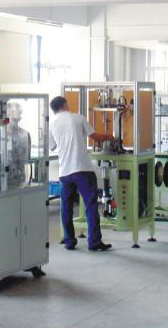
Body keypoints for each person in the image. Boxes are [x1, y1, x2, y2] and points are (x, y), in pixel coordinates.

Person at [48, 96, 112, 252]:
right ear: (65, 104)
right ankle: (94, 242)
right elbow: (95, 136)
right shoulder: (78, 118)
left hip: (65, 173)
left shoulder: (52, 125)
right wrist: (110, 137)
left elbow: (52, 147)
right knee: (91, 206)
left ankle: (69, 241)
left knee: (66, 208)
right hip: (83, 169)